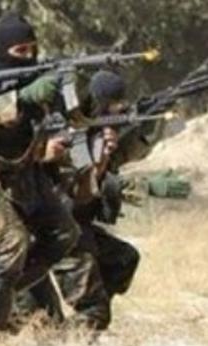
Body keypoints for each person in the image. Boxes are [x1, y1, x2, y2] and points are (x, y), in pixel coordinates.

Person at [0, 12, 80, 333]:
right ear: (3, 49)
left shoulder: (38, 72)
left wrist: (70, 92)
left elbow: (73, 119)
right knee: (14, 239)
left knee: (65, 233)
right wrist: (23, 98)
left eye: (33, 49)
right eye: (20, 51)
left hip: (24, 177)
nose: (29, 56)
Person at [22, 70, 163, 330]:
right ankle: (73, 334)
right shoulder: (65, 133)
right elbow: (78, 191)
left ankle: (81, 318)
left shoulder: (95, 132)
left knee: (123, 259)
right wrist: (95, 161)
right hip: (53, 231)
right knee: (39, 319)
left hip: (74, 226)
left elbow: (115, 162)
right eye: (109, 105)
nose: (114, 110)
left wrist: (139, 134)